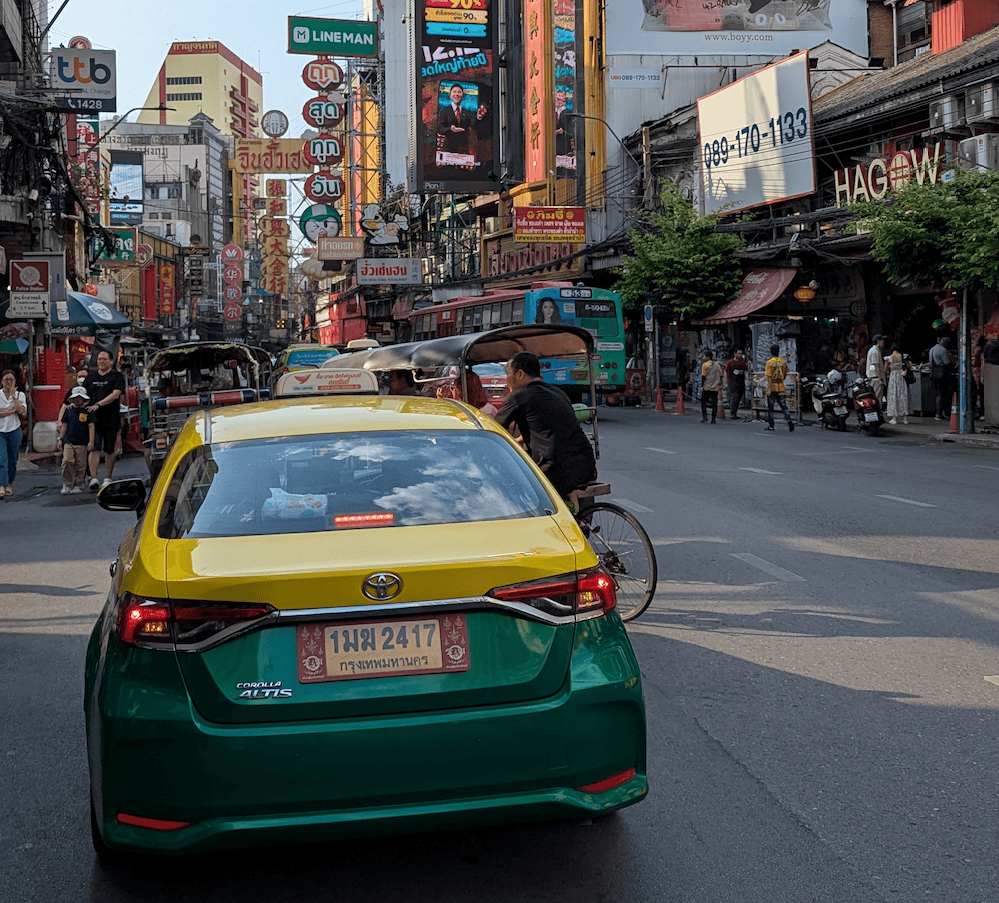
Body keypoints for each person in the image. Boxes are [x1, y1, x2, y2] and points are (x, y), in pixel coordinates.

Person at [495, 351, 596, 502]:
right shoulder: (558, 392)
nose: (506, 379)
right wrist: (521, 439)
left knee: (512, 491)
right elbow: (552, 426)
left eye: (508, 374)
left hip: (554, 469)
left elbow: (493, 429)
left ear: (520, 374)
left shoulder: (518, 396)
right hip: (586, 464)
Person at [84, 349, 126, 490]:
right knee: (94, 447)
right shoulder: (90, 377)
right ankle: (94, 478)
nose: (101, 361)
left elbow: (116, 394)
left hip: (111, 417)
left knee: (109, 449)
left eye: (104, 359)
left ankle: (108, 477)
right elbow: (83, 394)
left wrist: (99, 404)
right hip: (93, 420)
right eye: (99, 359)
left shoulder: (117, 376)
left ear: (111, 361)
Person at [58, 386, 94, 494]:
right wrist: (60, 438)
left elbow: (91, 426)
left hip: (82, 441)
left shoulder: (88, 411)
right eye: (75, 398)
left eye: (80, 398)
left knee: (80, 463)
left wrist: (91, 441)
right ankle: (67, 483)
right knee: (67, 461)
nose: (77, 400)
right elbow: (64, 425)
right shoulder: (68, 411)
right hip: (69, 441)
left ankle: (78, 483)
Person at [0, 369, 27, 499]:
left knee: (12, 459)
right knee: (2, 458)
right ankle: (2, 485)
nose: (8, 382)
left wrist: (14, 398)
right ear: (1, 382)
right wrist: (11, 411)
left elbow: (21, 410)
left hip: (14, 430)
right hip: (0, 431)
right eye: (6, 380)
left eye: (11, 380)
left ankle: (9, 483)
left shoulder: (19, 395)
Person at [764, 344, 794, 432]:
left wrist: (769, 389)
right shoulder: (783, 362)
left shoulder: (769, 362)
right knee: (783, 406)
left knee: (770, 408)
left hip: (772, 386)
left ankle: (771, 425)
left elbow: (768, 376)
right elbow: (785, 373)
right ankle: (788, 419)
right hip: (780, 386)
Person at [438, 83, 470, 155]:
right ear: (450, 95)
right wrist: (450, 129)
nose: (457, 94)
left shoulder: (467, 113)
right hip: (448, 149)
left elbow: (471, 127)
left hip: (463, 150)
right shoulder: (444, 111)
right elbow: (440, 128)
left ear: (462, 96)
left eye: (459, 92)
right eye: (454, 92)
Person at [884, 343, 910, 425]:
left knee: (893, 396)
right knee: (903, 396)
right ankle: (905, 418)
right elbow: (908, 365)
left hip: (893, 377)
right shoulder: (903, 356)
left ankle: (894, 418)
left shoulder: (889, 358)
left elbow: (885, 370)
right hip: (901, 376)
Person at [929, 335, 953, 420]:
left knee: (938, 393)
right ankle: (939, 414)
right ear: (946, 344)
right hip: (941, 374)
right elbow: (947, 363)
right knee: (942, 394)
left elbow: (931, 362)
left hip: (933, 373)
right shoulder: (943, 350)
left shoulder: (932, 349)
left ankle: (938, 413)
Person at [699, 349, 723, 423]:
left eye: (704, 356)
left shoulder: (705, 365)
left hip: (707, 387)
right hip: (715, 387)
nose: (703, 358)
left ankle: (705, 417)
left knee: (703, 402)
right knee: (714, 403)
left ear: (708, 357)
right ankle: (713, 419)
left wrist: (702, 386)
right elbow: (721, 375)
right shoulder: (717, 365)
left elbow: (703, 376)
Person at [724, 349, 748, 419]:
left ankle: (735, 412)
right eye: (739, 353)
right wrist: (725, 382)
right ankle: (733, 413)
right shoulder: (730, 362)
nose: (740, 355)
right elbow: (726, 372)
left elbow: (745, 371)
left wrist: (747, 379)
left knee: (739, 397)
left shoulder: (743, 362)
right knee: (734, 397)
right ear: (735, 354)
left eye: (741, 353)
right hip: (732, 383)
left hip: (740, 383)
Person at [866, 334, 887, 403]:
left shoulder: (875, 350)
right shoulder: (875, 351)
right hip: (875, 379)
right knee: (877, 399)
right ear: (879, 341)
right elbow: (876, 367)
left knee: (877, 398)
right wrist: (880, 379)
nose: (884, 342)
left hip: (874, 378)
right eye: (882, 340)